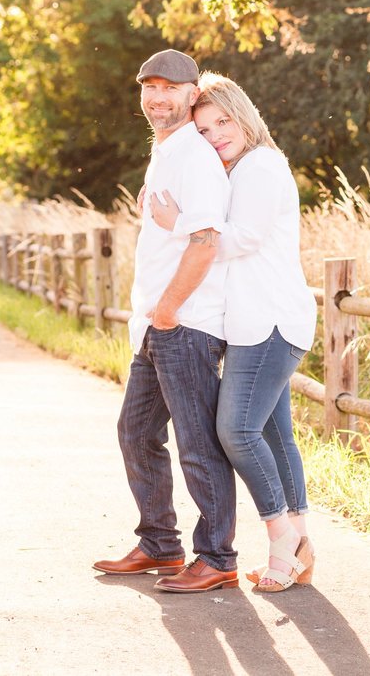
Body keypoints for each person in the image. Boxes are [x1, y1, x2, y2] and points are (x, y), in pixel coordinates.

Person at [151, 72, 317, 592]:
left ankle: (280, 538)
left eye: (223, 121)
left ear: (243, 115)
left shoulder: (261, 166)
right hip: (263, 321)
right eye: (203, 130)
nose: (216, 134)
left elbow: (241, 239)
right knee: (273, 433)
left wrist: (180, 223)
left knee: (237, 431)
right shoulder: (243, 169)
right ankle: (301, 545)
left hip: (268, 321)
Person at [93, 50, 240, 594]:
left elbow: (206, 241)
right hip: (158, 327)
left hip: (184, 323)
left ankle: (218, 557)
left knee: (197, 444)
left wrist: (170, 311)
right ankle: (160, 543)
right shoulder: (166, 152)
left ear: (192, 93)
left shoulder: (194, 156)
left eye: (171, 88)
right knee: (136, 433)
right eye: (149, 87)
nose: (159, 96)